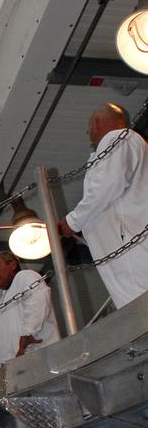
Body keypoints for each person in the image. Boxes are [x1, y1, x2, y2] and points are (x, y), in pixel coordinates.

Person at [57, 102, 148, 309]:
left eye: (88, 126)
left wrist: (72, 222)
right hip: (128, 254)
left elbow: (111, 182)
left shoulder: (117, 138)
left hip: (134, 255)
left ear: (97, 122)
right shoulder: (129, 143)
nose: (87, 132)